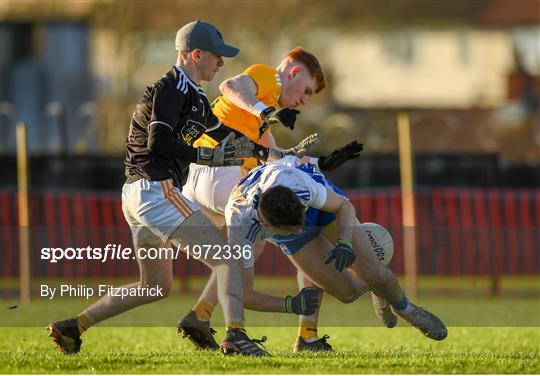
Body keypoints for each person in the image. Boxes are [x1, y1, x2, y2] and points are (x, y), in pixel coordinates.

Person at [47, 20, 269, 357]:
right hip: (155, 190)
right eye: (217, 56)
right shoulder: (171, 87)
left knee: (155, 285)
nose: (221, 63)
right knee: (229, 258)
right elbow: (159, 140)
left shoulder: (193, 94)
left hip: (139, 195)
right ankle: (235, 337)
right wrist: (203, 157)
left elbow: (225, 134)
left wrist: (276, 154)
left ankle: (73, 327)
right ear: (195, 54)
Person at [183, 155, 449, 351]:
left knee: (376, 273)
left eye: (300, 220)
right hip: (286, 224)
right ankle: (374, 288)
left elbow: (344, 207)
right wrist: (290, 305)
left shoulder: (295, 185)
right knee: (347, 293)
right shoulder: (240, 225)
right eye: (293, 227)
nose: (300, 227)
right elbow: (240, 294)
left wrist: (344, 242)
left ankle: (407, 309)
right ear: (267, 226)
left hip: (322, 209)